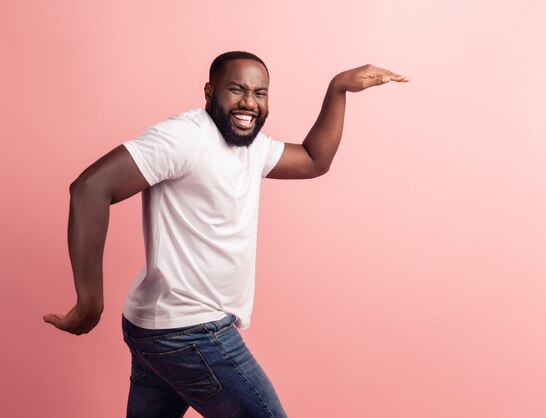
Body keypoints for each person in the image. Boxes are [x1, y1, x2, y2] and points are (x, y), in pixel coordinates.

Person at [44, 51, 408, 417]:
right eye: (237, 90)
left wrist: (338, 88)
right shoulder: (185, 138)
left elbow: (314, 159)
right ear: (209, 91)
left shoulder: (249, 145)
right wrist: (90, 303)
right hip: (189, 331)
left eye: (260, 93)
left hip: (159, 327)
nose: (249, 102)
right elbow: (90, 189)